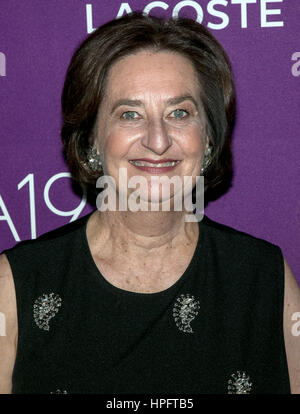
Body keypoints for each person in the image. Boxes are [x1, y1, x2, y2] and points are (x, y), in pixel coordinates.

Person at [0, 12, 299, 395]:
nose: (158, 140)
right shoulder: (17, 283)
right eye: (130, 114)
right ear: (91, 140)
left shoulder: (264, 278)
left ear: (208, 139)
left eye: (179, 113)